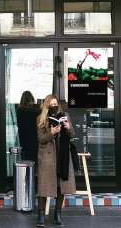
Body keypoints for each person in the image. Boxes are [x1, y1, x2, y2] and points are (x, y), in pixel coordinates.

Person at [36, 94, 76, 227]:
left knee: (61, 186)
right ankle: (41, 215)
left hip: (62, 155)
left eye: (55, 104)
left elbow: (73, 135)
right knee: (44, 186)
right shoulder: (41, 119)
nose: (54, 106)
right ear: (47, 106)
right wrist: (51, 133)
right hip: (48, 157)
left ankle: (57, 214)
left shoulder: (65, 115)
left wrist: (67, 127)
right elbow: (41, 139)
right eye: (51, 105)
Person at [16, 91, 39, 164]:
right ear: (31, 99)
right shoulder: (36, 111)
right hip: (33, 135)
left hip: (22, 135)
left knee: (24, 157)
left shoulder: (19, 111)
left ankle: (24, 173)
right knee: (33, 157)